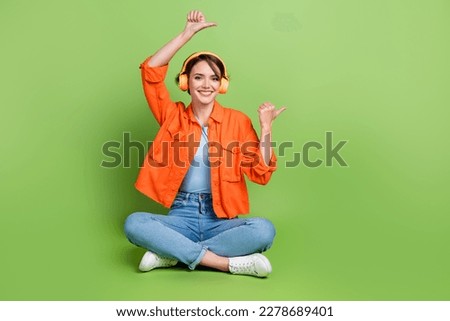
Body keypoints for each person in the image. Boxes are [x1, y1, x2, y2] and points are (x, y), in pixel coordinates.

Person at [124, 10, 286, 277]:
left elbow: (261, 173)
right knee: (134, 223)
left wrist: (266, 130)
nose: (206, 85)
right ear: (186, 82)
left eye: (213, 78)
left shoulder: (238, 121)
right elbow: (151, 71)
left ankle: (172, 253)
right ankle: (224, 263)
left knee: (264, 230)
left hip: (221, 219)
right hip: (180, 215)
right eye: (198, 77)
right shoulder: (172, 116)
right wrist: (186, 35)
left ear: (221, 85)